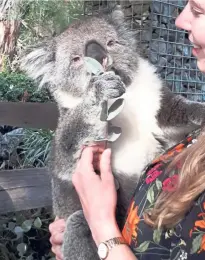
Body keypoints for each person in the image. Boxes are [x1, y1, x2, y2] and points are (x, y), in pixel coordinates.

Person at [49, 0, 205, 259]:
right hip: (94, 231)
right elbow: (66, 159)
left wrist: (104, 232)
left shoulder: (145, 83)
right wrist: (91, 106)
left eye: (198, 10)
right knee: (76, 227)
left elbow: (175, 114)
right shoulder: (72, 107)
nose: (99, 58)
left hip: (123, 232)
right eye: (76, 59)